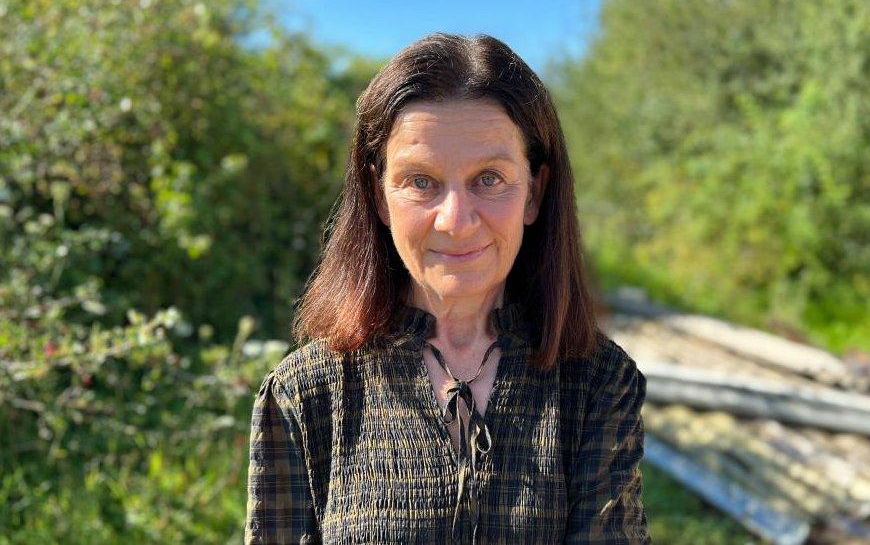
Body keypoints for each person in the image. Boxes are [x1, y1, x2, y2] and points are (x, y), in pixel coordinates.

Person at [245, 32, 649, 544]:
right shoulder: (306, 395)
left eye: (489, 179)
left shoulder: (597, 384)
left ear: (535, 192)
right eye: (421, 182)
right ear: (379, 196)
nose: (456, 221)